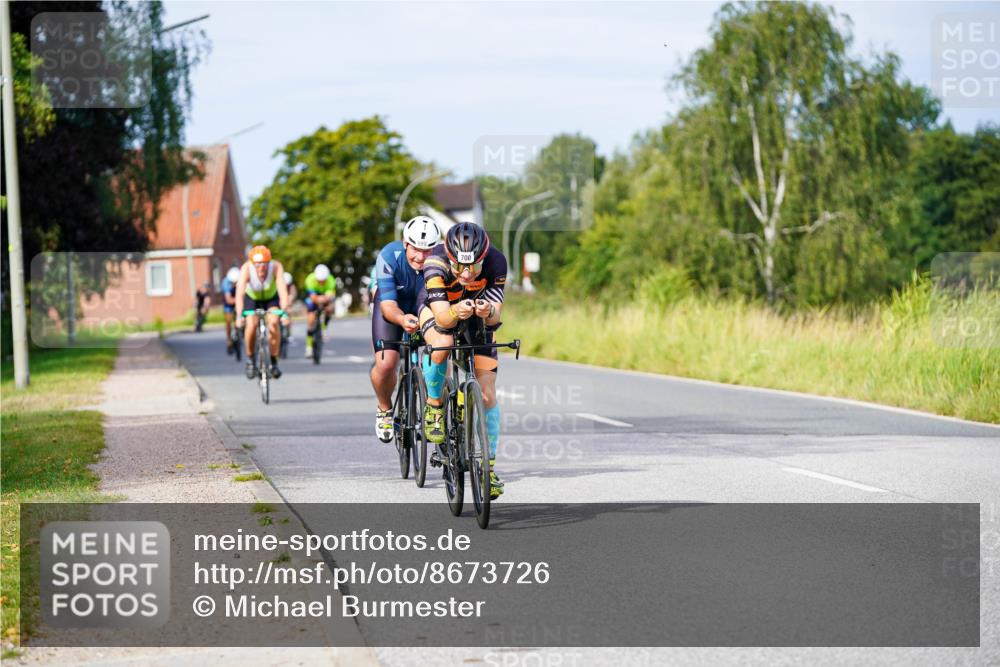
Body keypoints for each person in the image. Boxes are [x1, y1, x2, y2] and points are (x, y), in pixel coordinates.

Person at [418, 223, 507, 499]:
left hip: (476, 318)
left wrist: (488, 309)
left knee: (488, 394)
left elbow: (495, 317)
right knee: (443, 343)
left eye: (474, 268)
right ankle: (434, 404)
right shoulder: (435, 261)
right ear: (449, 257)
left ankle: (488, 469)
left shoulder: (496, 261)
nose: (467, 275)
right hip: (439, 308)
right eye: (459, 268)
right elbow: (443, 318)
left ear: (483, 258)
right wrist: (456, 310)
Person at [370, 215, 442, 443]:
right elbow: (388, 305)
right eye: (416, 249)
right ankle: (384, 408)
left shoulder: (441, 260)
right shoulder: (389, 256)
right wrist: (402, 320)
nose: (421, 257)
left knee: (441, 354)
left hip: (424, 308)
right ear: (405, 243)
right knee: (386, 363)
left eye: (427, 250)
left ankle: (434, 408)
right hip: (393, 308)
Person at [235, 246, 291, 380]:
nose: (261, 267)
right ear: (252, 264)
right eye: (257, 264)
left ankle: (274, 362)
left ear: (269, 262)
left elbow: (282, 290)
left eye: (264, 263)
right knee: (251, 324)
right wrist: (239, 315)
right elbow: (240, 292)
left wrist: (284, 312)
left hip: (270, 299)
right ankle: (250, 360)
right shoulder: (246, 268)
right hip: (252, 299)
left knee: (273, 323)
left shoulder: (276, 267)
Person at [303, 264, 336, 359]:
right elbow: (313, 298)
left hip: (325, 296)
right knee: (311, 319)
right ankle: (308, 346)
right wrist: (319, 300)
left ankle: (324, 328)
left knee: (330, 308)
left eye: (323, 281)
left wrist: (325, 299)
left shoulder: (331, 280)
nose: (321, 283)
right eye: (319, 281)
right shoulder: (310, 279)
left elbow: (330, 296)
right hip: (313, 296)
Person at [221, 267, 240, 353]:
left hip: (238, 299)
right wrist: (238, 300)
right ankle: (229, 340)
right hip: (228, 303)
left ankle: (238, 331)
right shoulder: (226, 283)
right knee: (228, 320)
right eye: (233, 283)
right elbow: (229, 300)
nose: (234, 284)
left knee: (240, 319)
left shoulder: (241, 280)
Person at [283, 272, 297, 341]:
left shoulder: (292, 287)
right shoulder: (277, 285)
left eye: (287, 285)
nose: (286, 286)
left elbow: (293, 295)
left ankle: (289, 332)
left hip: (288, 304)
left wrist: (289, 301)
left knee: (289, 313)